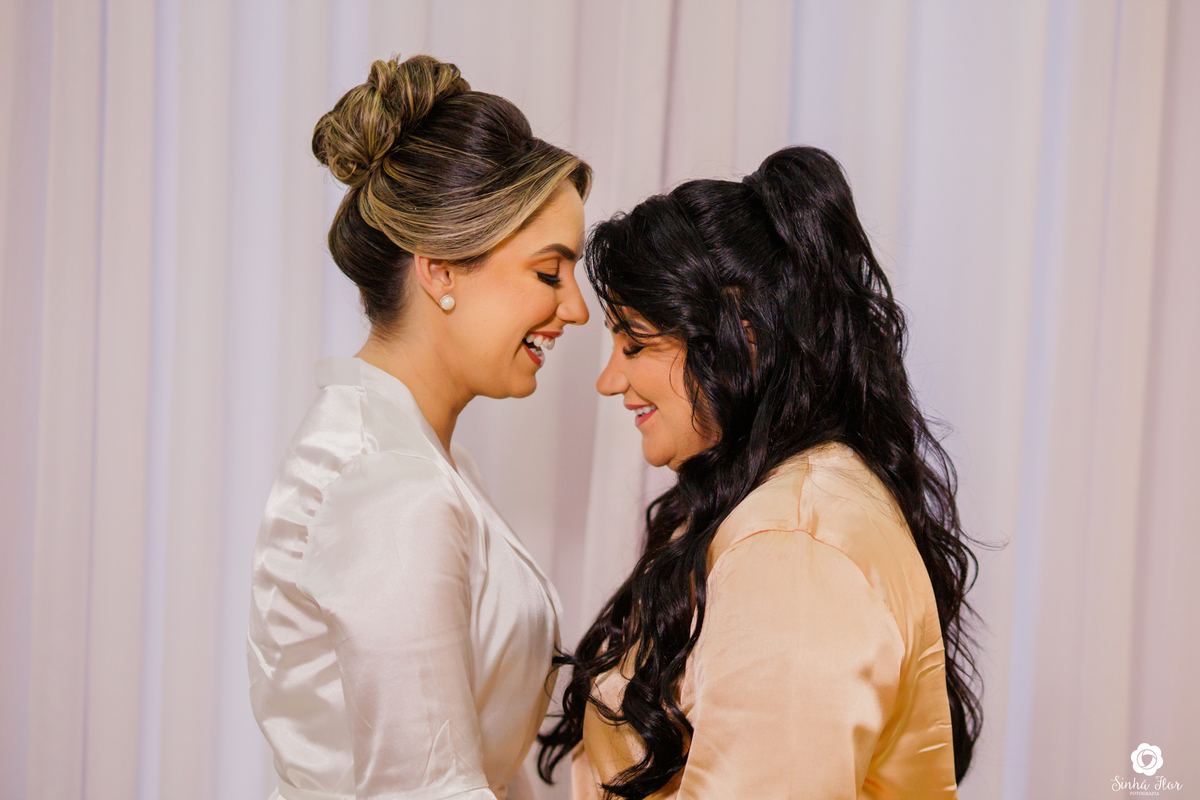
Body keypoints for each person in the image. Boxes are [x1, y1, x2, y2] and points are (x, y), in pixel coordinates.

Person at [538, 146, 982, 799]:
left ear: (741, 337)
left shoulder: (793, 547)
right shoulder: (787, 504)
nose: (610, 380)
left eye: (633, 342)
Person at [248, 55, 591, 800]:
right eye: (549, 273)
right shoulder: (391, 483)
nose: (576, 309)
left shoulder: (414, 458)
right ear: (440, 270)